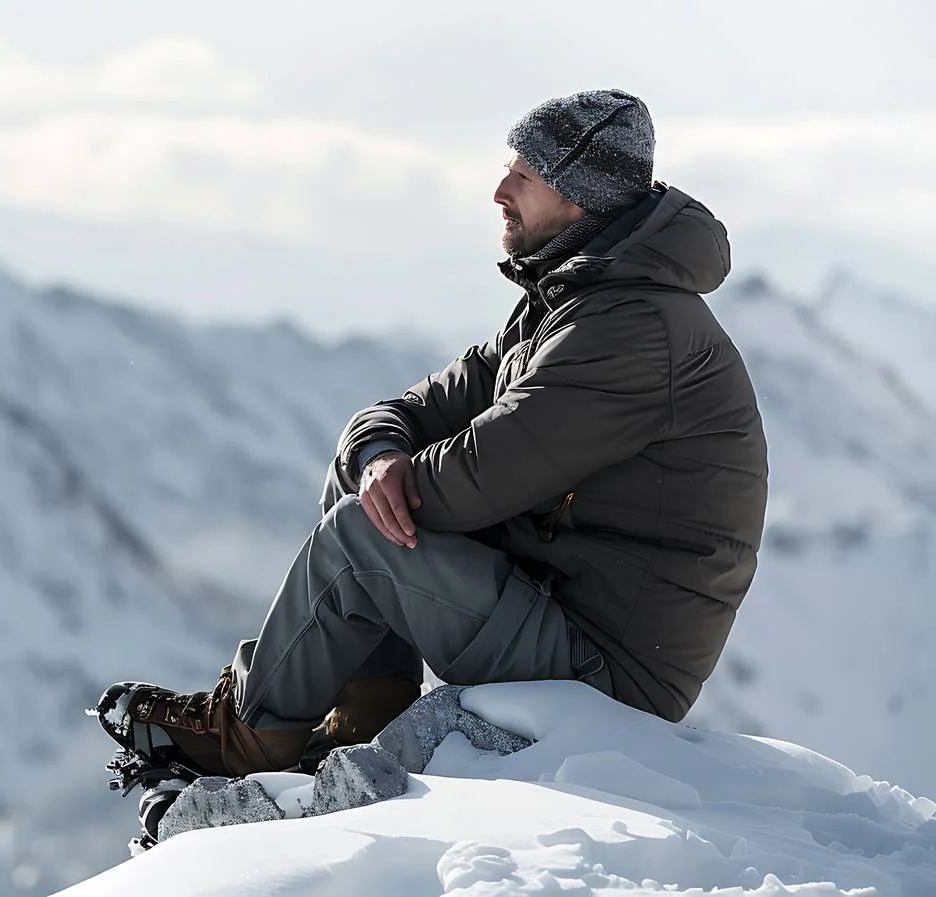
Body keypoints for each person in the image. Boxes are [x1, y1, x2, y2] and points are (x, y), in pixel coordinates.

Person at [98, 89, 769, 779]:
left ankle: (249, 736)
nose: (499, 190)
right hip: (557, 607)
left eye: (526, 176)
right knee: (361, 476)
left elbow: (481, 477)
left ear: (581, 198)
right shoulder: (569, 302)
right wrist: (380, 452)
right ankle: (364, 715)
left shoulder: (630, 330)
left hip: (605, 672)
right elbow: (415, 408)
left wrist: (390, 478)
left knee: (365, 530)